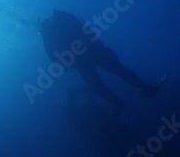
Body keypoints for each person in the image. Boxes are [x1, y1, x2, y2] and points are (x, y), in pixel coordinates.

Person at [38, 9, 167, 111]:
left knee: (96, 84)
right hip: (94, 50)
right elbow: (88, 31)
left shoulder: (48, 36)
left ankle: (116, 103)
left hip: (80, 61)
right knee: (119, 70)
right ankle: (144, 88)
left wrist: (69, 63)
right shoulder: (64, 19)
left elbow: (56, 60)